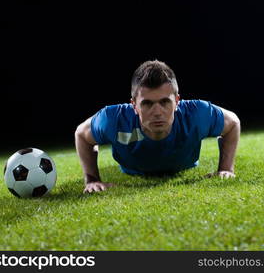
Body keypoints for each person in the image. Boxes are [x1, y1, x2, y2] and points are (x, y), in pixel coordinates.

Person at [75, 60, 241, 193]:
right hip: (131, 169)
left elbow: (233, 123)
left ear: (176, 101)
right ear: (134, 105)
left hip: (184, 166)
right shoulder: (113, 119)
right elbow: (82, 134)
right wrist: (92, 180)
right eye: (147, 103)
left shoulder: (197, 114)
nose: (157, 112)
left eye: (164, 102)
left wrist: (226, 169)